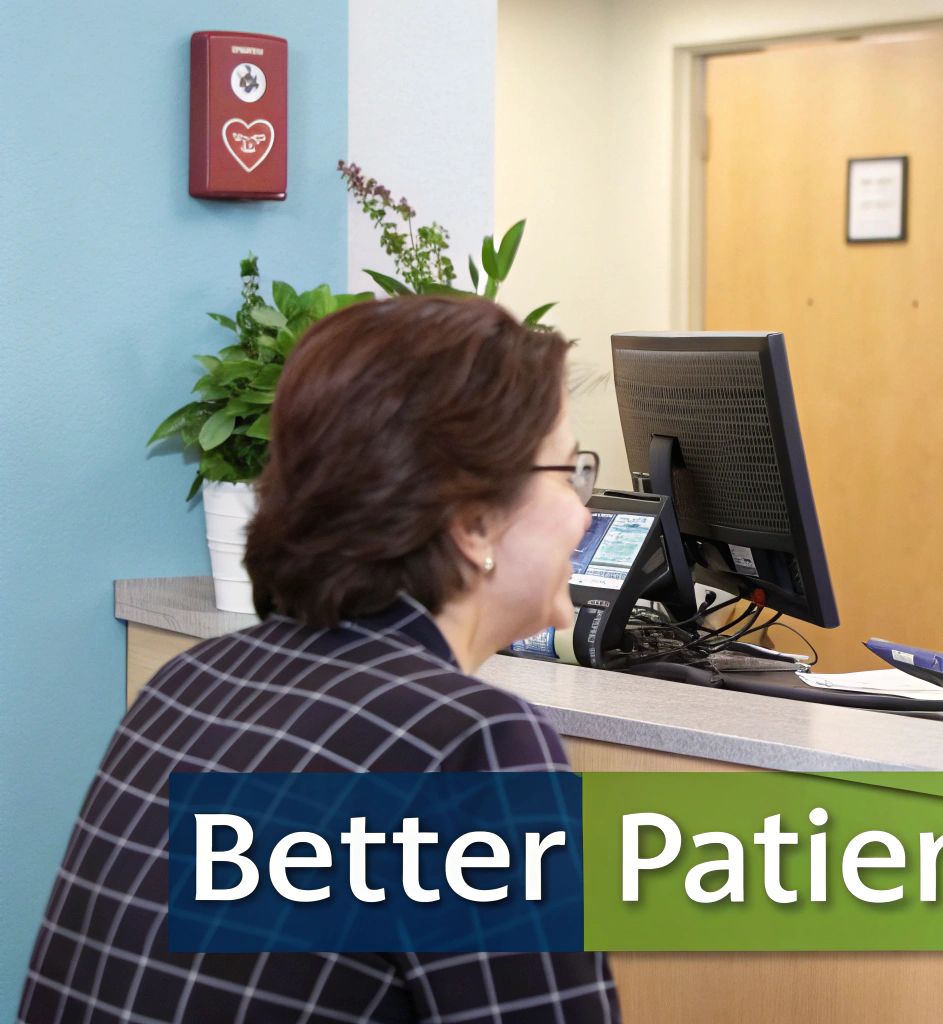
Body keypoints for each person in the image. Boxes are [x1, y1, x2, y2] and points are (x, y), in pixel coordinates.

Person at [19, 297, 621, 1022]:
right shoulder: (469, 746)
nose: (584, 515)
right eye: (568, 471)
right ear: (473, 521)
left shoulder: (188, 684)